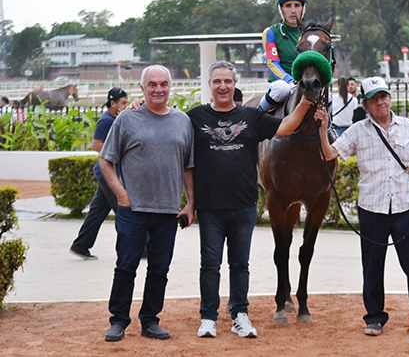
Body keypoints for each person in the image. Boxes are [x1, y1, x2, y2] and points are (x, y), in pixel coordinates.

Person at [187, 61, 314, 339]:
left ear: (235, 84)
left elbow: (286, 126)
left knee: (240, 264)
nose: (223, 86)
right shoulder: (195, 117)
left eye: (227, 81)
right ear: (209, 85)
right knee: (210, 265)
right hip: (210, 206)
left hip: (244, 205)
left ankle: (240, 315)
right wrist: (139, 106)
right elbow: (168, 124)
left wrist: (306, 100)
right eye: (217, 81)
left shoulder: (251, 116)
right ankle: (208, 317)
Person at [314, 75, 409, 337]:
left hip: (406, 207)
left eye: (383, 97)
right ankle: (374, 318)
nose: (380, 103)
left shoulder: (408, 126)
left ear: (389, 98)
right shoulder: (358, 130)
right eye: (374, 99)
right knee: (372, 267)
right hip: (371, 208)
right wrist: (323, 129)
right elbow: (329, 154)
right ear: (365, 105)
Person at [99, 65, 195, 342]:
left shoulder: (182, 121)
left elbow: (189, 166)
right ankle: (118, 321)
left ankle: (150, 320)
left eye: (163, 84)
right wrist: (122, 195)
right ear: (142, 89)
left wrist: (191, 203)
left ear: (170, 87)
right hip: (133, 210)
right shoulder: (127, 119)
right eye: (152, 84)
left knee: (159, 270)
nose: (158, 89)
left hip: (167, 212)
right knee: (125, 267)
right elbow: (105, 160)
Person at [69, 88, 128, 260]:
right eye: (123, 103)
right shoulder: (106, 121)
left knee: (97, 212)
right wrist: (117, 153)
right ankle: (137, 248)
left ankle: (80, 246)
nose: (125, 106)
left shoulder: (114, 119)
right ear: (113, 103)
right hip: (107, 174)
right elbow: (96, 145)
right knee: (124, 211)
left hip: (106, 173)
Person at [258, 0, 307, 112]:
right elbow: (272, 63)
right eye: (288, 6)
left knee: (328, 96)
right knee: (282, 89)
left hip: (306, 82)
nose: (293, 10)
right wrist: (289, 80)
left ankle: (330, 124)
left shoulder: (310, 33)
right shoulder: (271, 32)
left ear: (303, 8)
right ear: (281, 9)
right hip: (282, 83)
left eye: (297, 5)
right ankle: (258, 114)